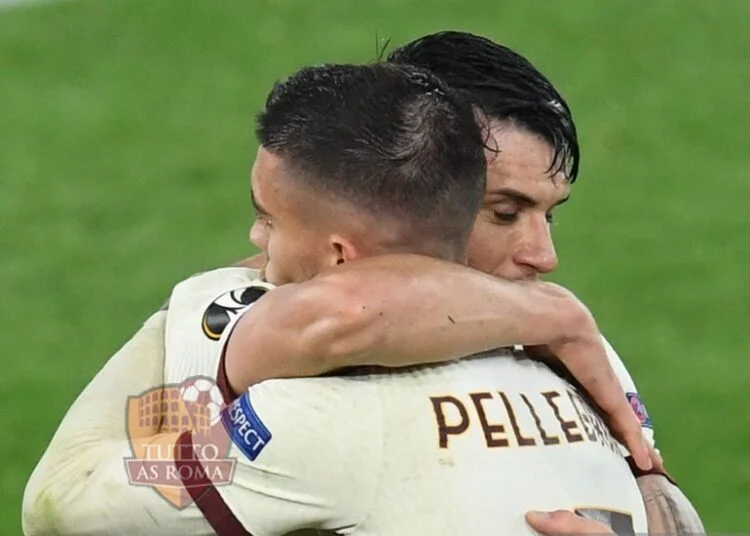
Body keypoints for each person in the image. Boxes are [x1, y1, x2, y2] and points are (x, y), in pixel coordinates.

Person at [23, 62, 648, 536]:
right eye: (506, 211)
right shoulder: (583, 372)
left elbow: (64, 501)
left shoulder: (310, 416)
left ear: (342, 254)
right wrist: (556, 313)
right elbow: (661, 503)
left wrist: (188, 309)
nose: (256, 241)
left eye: (268, 219)